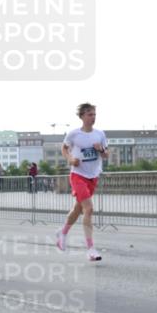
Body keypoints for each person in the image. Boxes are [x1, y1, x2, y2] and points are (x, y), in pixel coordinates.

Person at [55, 103, 108, 261]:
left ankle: (62, 233)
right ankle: (91, 249)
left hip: (93, 176)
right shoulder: (73, 134)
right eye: (90, 114)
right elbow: (64, 148)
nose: (93, 117)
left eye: (94, 114)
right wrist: (70, 159)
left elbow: (106, 155)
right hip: (78, 175)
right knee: (88, 209)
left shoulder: (100, 134)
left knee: (78, 209)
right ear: (82, 116)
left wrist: (101, 149)